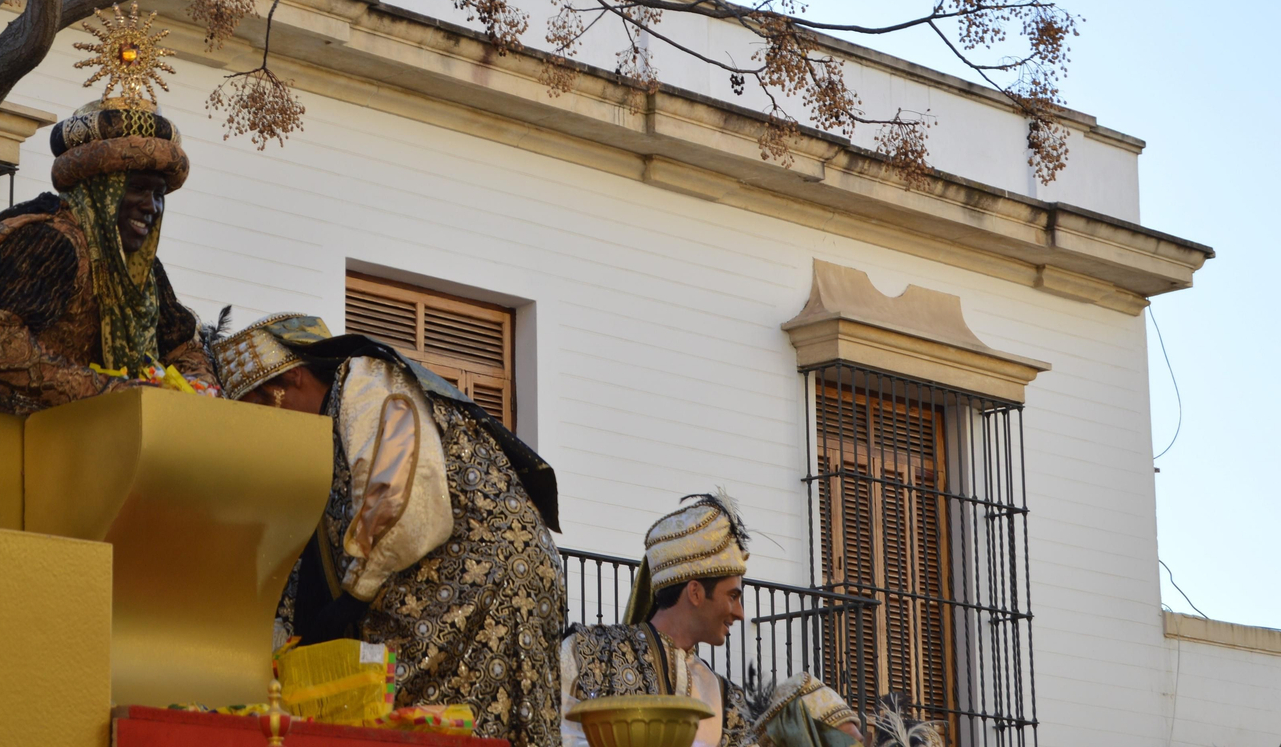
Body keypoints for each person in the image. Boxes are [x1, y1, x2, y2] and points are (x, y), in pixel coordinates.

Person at [211, 314, 562, 747]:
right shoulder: (331, 427)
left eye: (264, 408)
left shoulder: (365, 380)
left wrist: (354, 596)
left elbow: (400, 495)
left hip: (483, 579)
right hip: (463, 579)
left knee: (425, 719)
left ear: (294, 378)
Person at [0, 98, 215, 417]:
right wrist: (105, 392)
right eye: (138, 188)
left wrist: (196, 388)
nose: (151, 206)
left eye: (158, 194)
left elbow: (183, 346)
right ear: (101, 188)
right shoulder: (48, 240)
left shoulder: (145, 269)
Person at [560, 493, 863, 747]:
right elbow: (548, 730)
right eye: (733, 596)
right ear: (694, 592)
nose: (740, 613)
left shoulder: (728, 702)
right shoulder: (590, 652)